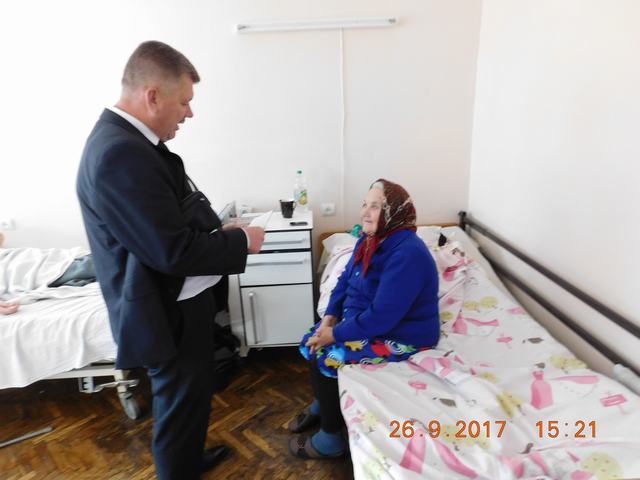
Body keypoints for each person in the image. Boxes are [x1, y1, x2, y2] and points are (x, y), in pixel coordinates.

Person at [76, 41, 265, 479]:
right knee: (178, 401)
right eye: (184, 102)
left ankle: (187, 460)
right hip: (163, 310)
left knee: (191, 395)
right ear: (153, 96)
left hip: (179, 301)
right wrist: (242, 243)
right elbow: (170, 251)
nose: (189, 113)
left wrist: (218, 232)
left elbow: (162, 226)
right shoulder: (119, 154)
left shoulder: (131, 144)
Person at [288, 179, 440, 459]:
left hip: (403, 334)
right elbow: (344, 281)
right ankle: (324, 402)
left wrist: (335, 335)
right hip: (369, 320)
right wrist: (329, 318)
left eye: (375, 207)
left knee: (327, 355)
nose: (365, 213)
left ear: (394, 213)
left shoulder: (408, 253)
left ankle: (330, 440)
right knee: (309, 339)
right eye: (364, 204)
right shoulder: (370, 240)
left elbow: (383, 316)